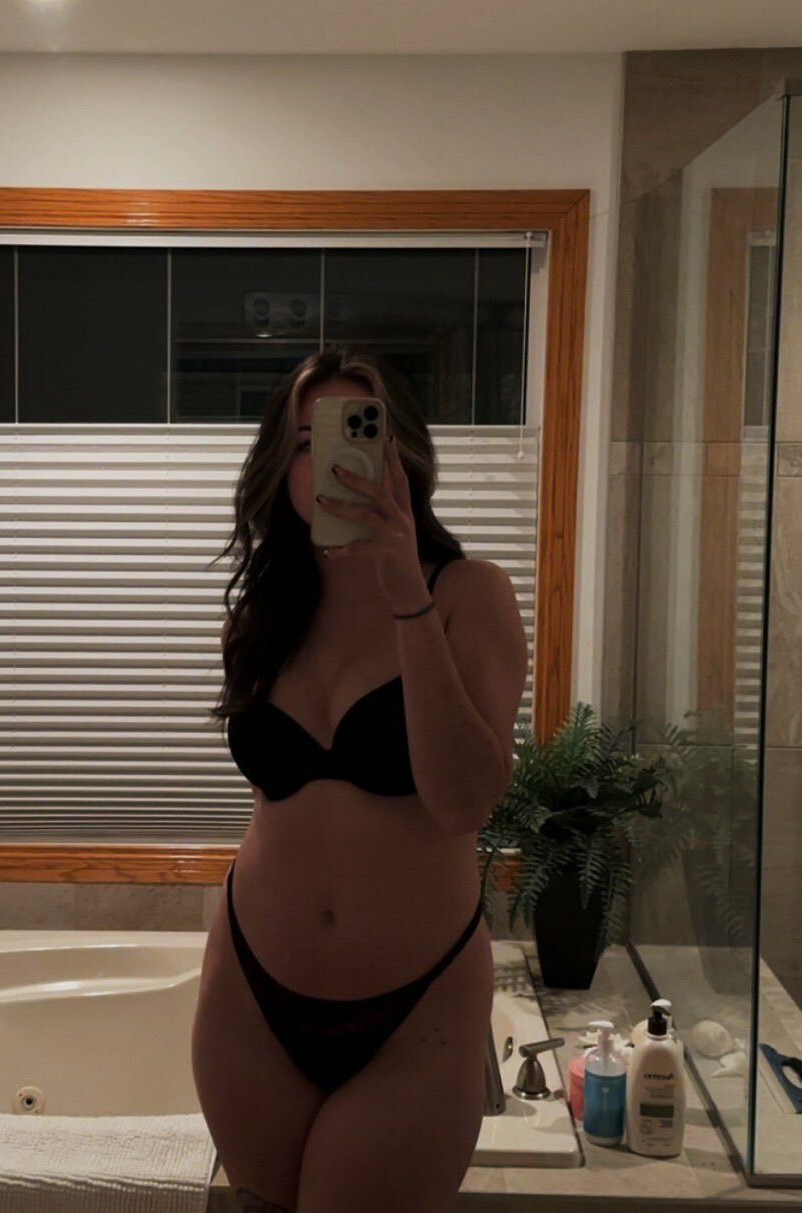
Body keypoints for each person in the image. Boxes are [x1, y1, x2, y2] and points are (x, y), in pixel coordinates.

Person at [191, 345, 528, 1213]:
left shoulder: (468, 595)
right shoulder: (261, 617)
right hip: (251, 992)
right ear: (280, 467)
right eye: (304, 443)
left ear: (400, 454)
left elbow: (463, 799)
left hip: (416, 1011)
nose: (326, 462)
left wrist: (405, 591)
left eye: (353, 435)